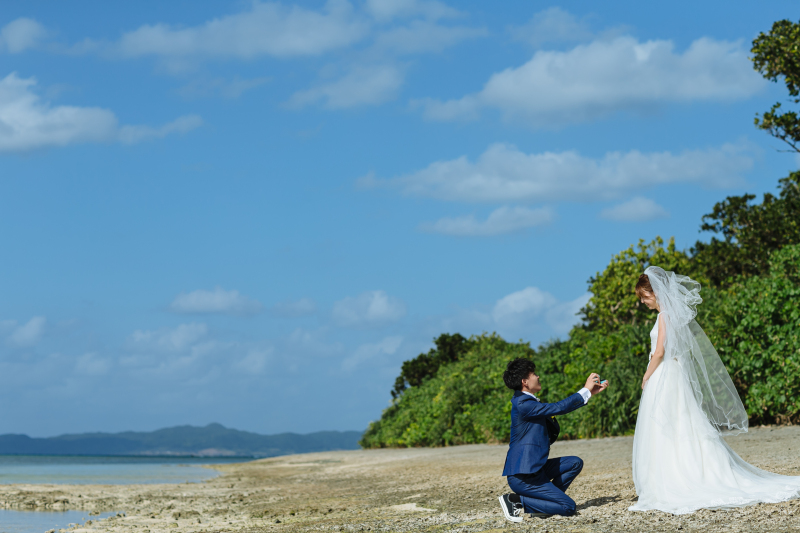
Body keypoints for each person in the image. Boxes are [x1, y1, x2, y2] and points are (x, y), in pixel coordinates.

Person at [631, 266, 800, 514]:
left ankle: (675, 476)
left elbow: (659, 352)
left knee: (667, 424)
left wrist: (646, 376)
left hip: (664, 374)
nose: (643, 303)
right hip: (673, 375)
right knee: (680, 423)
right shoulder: (673, 315)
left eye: (644, 297)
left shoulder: (664, 316)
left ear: (655, 293)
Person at [498, 358, 609, 522]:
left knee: (574, 463)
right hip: (523, 476)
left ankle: (542, 506)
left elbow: (557, 410)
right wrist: (585, 389)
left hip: (536, 469)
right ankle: (515, 500)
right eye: (534, 374)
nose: (538, 376)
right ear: (525, 382)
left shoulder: (526, 401)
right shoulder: (523, 403)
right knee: (568, 507)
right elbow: (559, 407)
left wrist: (589, 394)